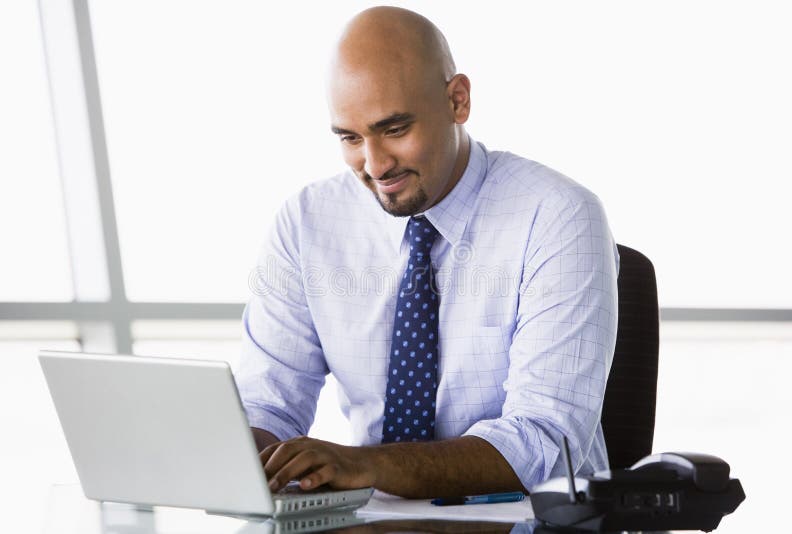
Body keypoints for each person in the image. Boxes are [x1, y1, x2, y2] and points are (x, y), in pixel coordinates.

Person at [235, 6, 619, 499]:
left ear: (458, 101)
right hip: (373, 520)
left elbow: (542, 440)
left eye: (394, 130)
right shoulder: (307, 221)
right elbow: (267, 405)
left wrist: (363, 465)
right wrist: (244, 454)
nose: (374, 166)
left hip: (525, 520)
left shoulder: (558, 215)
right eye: (351, 138)